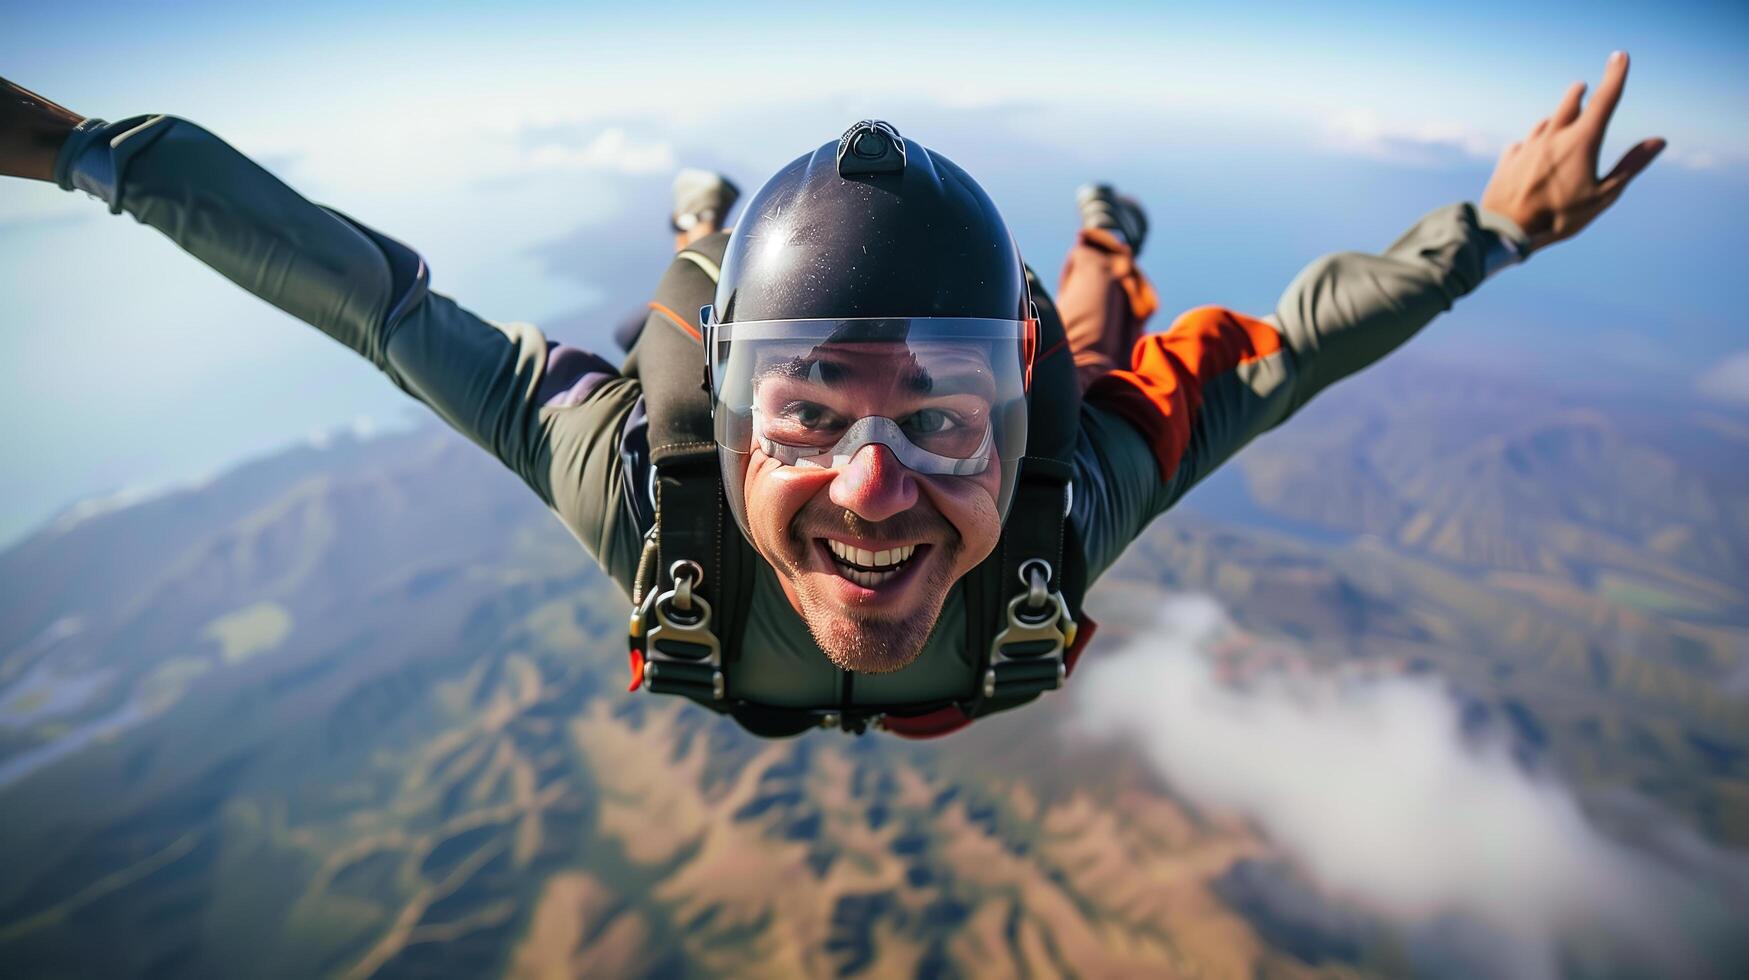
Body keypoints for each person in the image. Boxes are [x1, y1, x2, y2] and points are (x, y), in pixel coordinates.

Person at [0, 54, 1664, 737]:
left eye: (935, 420)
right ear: (733, 437)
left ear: (1007, 425)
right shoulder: (661, 476)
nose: (872, 491)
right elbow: (375, 298)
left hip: (1018, 372)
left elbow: (1277, 351)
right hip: (751, 364)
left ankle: (1069, 247)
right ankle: (703, 240)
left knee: (1095, 319)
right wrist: (77, 149)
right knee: (677, 320)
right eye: (805, 418)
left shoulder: (1055, 484)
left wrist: (1499, 228)